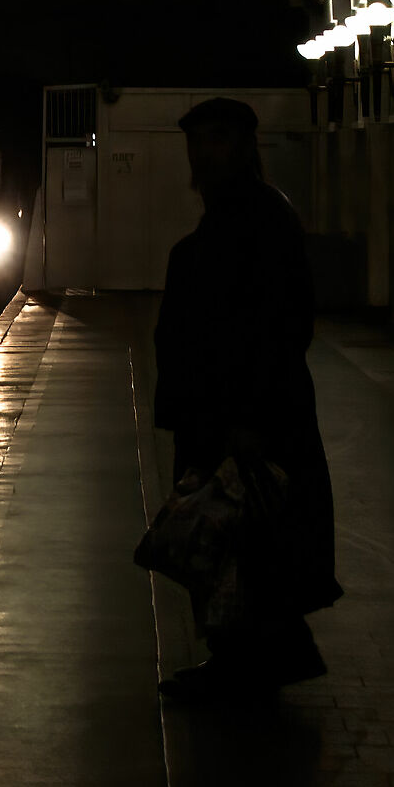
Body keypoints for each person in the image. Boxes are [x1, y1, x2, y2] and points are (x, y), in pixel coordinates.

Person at [151, 96, 342, 702]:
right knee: (231, 537)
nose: (205, 154)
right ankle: (249, 658)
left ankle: (247, 665)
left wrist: (250, 416)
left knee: (241, 539)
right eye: (197, 143)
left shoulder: (258, 220)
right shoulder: (233, 216)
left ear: (244, 147)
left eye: (217, 140)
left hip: (247, 414)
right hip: (219, 411)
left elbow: (278, 325)